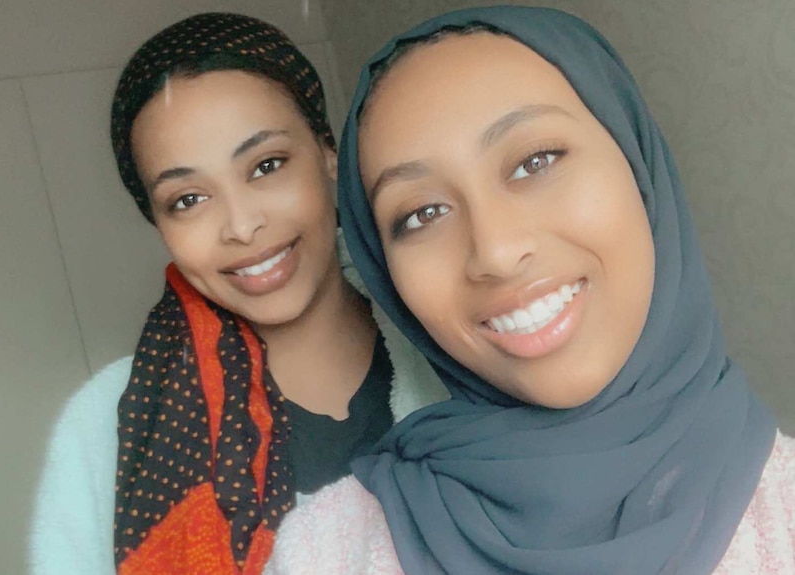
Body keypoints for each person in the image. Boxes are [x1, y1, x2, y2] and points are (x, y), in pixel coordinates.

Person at [264, 6, 794, 574]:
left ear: (637, 163)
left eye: (535, 161)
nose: (493, 251)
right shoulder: (326, 553)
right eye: (422, 214)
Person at [28, 12, 446, 575]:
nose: (241, 226)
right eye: (187, 199)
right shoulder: (108, 428)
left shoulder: (456, 332)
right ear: (158, 223)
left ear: (326, 150)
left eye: (266, 165)